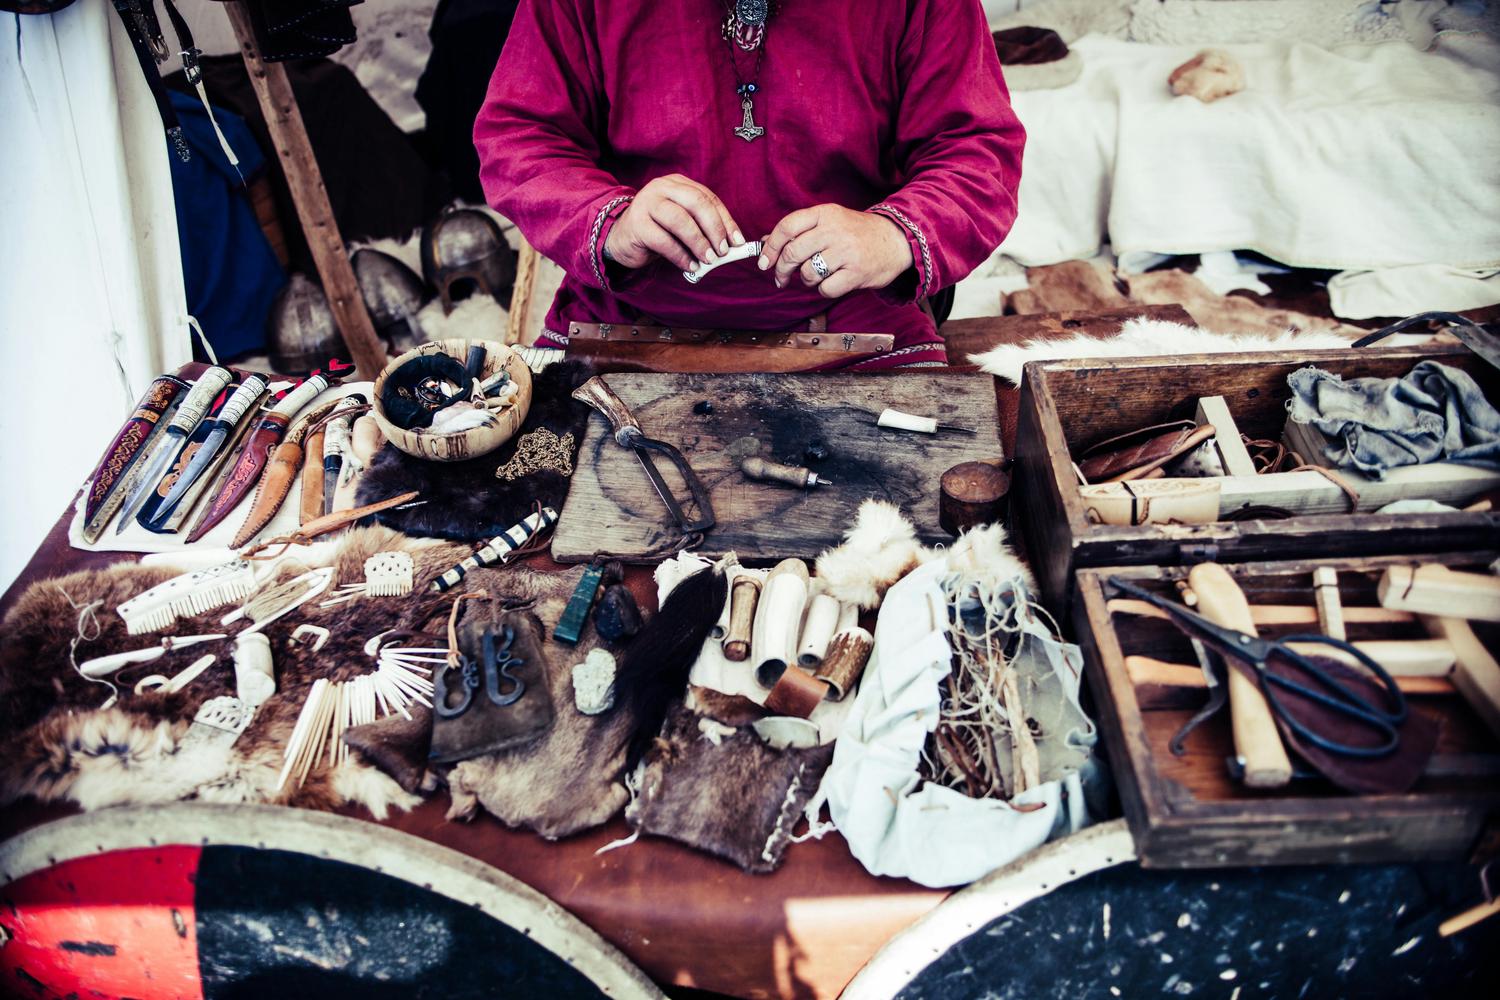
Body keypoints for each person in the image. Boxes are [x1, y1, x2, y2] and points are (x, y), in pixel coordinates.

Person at [475, 0, 1024, 368]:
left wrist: (891, 236)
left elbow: (977, 149)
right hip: (628, 318)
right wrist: (612, 222)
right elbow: (520, 137)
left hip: (852, 320)